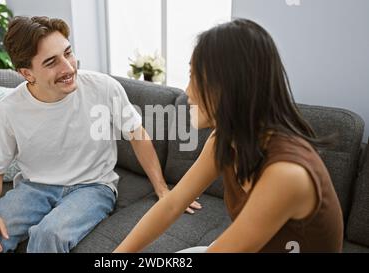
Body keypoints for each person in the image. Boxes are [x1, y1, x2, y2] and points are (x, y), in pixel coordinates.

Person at [0, 16, 201, 253]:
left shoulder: (103, 88)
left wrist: (162, 189)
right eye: (51, 62)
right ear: (27, 73)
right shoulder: (8, 109)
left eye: (68, 53)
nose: (68, 68)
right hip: (34, 187)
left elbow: (137, 134)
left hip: (93, 187)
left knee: (49, 235)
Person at [114, 18, 344, 253]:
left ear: (227, 85)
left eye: (193, 75)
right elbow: (172, 205)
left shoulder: (286, 174)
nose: (187, 91)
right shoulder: (223, 140)